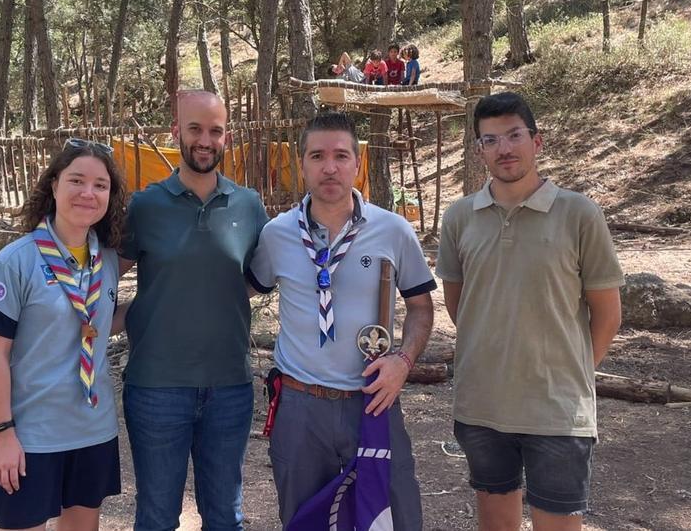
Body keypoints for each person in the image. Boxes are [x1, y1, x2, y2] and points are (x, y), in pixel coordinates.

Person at [434, 92, 624, 531]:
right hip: (482, 404)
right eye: (491, 140)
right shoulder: (460, 217)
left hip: (557, 410)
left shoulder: (579, 214)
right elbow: (460, 303)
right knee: (495, 522)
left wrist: (570, 373)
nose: (504, 149)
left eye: (514, 135)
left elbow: (608, 314)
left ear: (536, 142)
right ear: (479, 150)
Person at [246, 111, 436, 529]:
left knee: (392, 517)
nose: (329, 167)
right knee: (302, 518)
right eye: (317, 156)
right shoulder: (276, 234)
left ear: (357, 162)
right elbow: (243, 291)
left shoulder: (393, 230)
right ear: (302, 164)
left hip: (372, 400)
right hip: (299, 407)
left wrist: (402, 362)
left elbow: (422, 307)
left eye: (340, 155)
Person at [112, 90, 268, 531]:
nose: (205, 140)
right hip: (156, 387)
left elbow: (259, 278)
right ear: (175, 132)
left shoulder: (249, 206)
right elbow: (104, 278)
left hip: (230, 389)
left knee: (225, 517)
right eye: (195, 129)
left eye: (215, 131)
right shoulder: (145, 207)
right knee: (158, 517)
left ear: (227, 138)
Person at [0, 138, 126, 531]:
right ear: (54, 184)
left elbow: (97, 322)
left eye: (100, 185)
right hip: (30, 435)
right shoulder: (15, 261)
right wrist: (3, 432)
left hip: (92, 429)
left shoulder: (106, 260)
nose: (88, 193)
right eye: (77, 180)